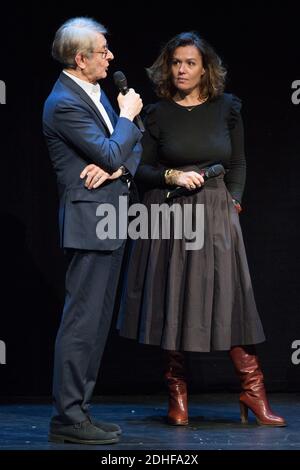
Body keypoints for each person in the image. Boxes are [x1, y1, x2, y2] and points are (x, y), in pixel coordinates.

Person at [118, 32, 286, 427]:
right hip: (169, 212)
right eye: (176, 62)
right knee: (174, 299)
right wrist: (172, 175)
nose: (182, 69)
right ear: (167, 66)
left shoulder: (227, 108)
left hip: (214, 211)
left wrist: (234, 200)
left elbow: (238, 162)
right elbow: (139, 169)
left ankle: (252, 389)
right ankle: (178, 395)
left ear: (205, 68)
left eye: (190, 63)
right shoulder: (157, 113)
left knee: (230, 299)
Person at [43, 17, 143, 444]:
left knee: (99, 323)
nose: (111, 57)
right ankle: (66, 417)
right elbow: (112, 143)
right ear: (81, 59)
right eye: (103, 51)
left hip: (112, 218)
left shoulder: (93, 90)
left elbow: (131, 146)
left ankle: (79, 410)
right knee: (82, 323)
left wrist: (117, 164)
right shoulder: (63, 102)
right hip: (89, 223)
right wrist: (126, 118)